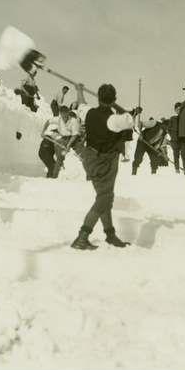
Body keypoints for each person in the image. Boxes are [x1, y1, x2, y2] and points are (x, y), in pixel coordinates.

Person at [71, 84, 139, 250]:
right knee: (105, 198)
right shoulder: (114, 120)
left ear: (98, 98)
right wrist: (119, 107)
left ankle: (110, 235)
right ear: (114, 99)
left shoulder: (89, 112)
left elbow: (81, 104)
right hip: (105, 162)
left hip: (90, 159)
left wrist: (79, 90)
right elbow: (129, 120)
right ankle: (82, 236)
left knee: (104, 196)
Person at [38, 106, 62, 178]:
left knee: (53, 167)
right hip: (47, 142)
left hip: (52, 146)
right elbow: (48, 122)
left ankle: (49, 181)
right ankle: (50, 182)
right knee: (52, 167)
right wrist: (43, 131)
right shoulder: (58, 119)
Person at [167, 102, 185, 174]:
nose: (179, 110)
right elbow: (169, 129)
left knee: (184, 155)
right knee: (176, 155)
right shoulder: (172, 118)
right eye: (177, 109)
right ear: (175, 110)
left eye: (180, 109)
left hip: (183, 140)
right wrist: (173, 135)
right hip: (175, 140)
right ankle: (177, 170)